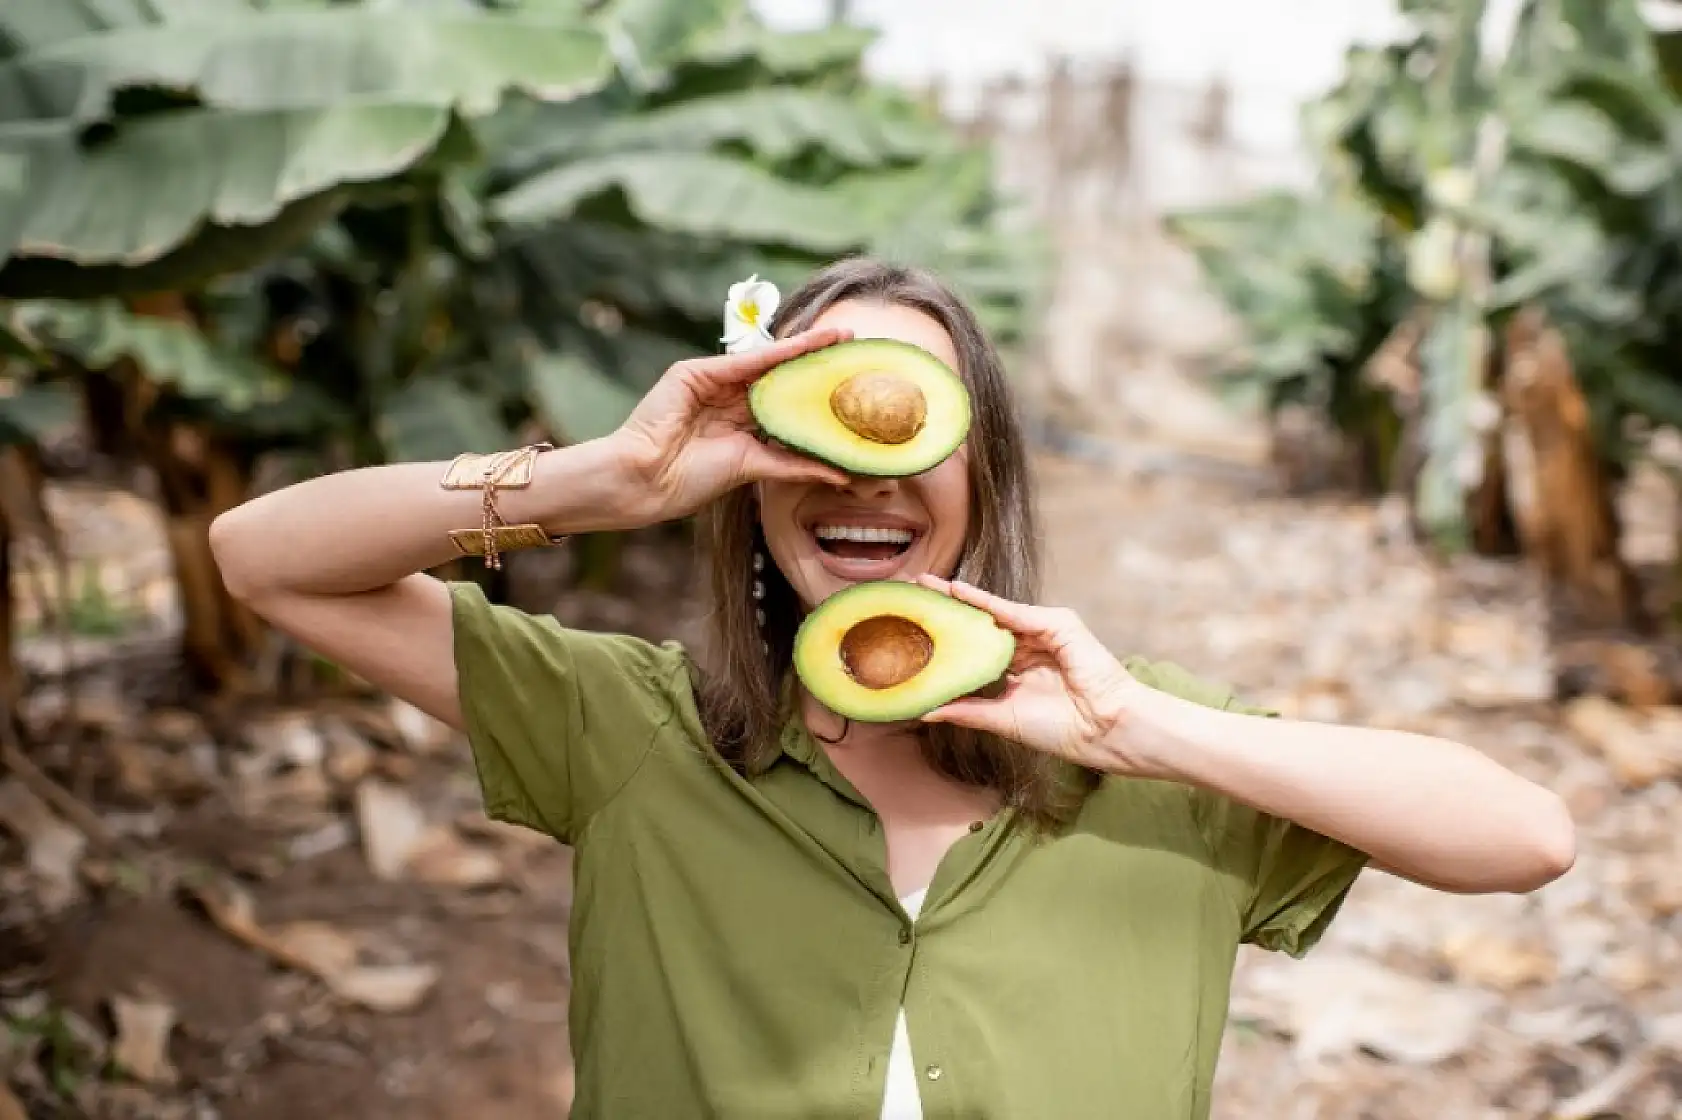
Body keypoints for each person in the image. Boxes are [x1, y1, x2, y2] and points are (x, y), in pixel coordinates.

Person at [210, 257, 1576, 1119]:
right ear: (753, 483)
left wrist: (1143, 731)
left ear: (986, 474)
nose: (862, 473)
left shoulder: (1148, 752)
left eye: (910, 419)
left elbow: (1523, 838)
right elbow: (262, 560)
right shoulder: (634, 726)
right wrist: (597, 481)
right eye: (816, 412)